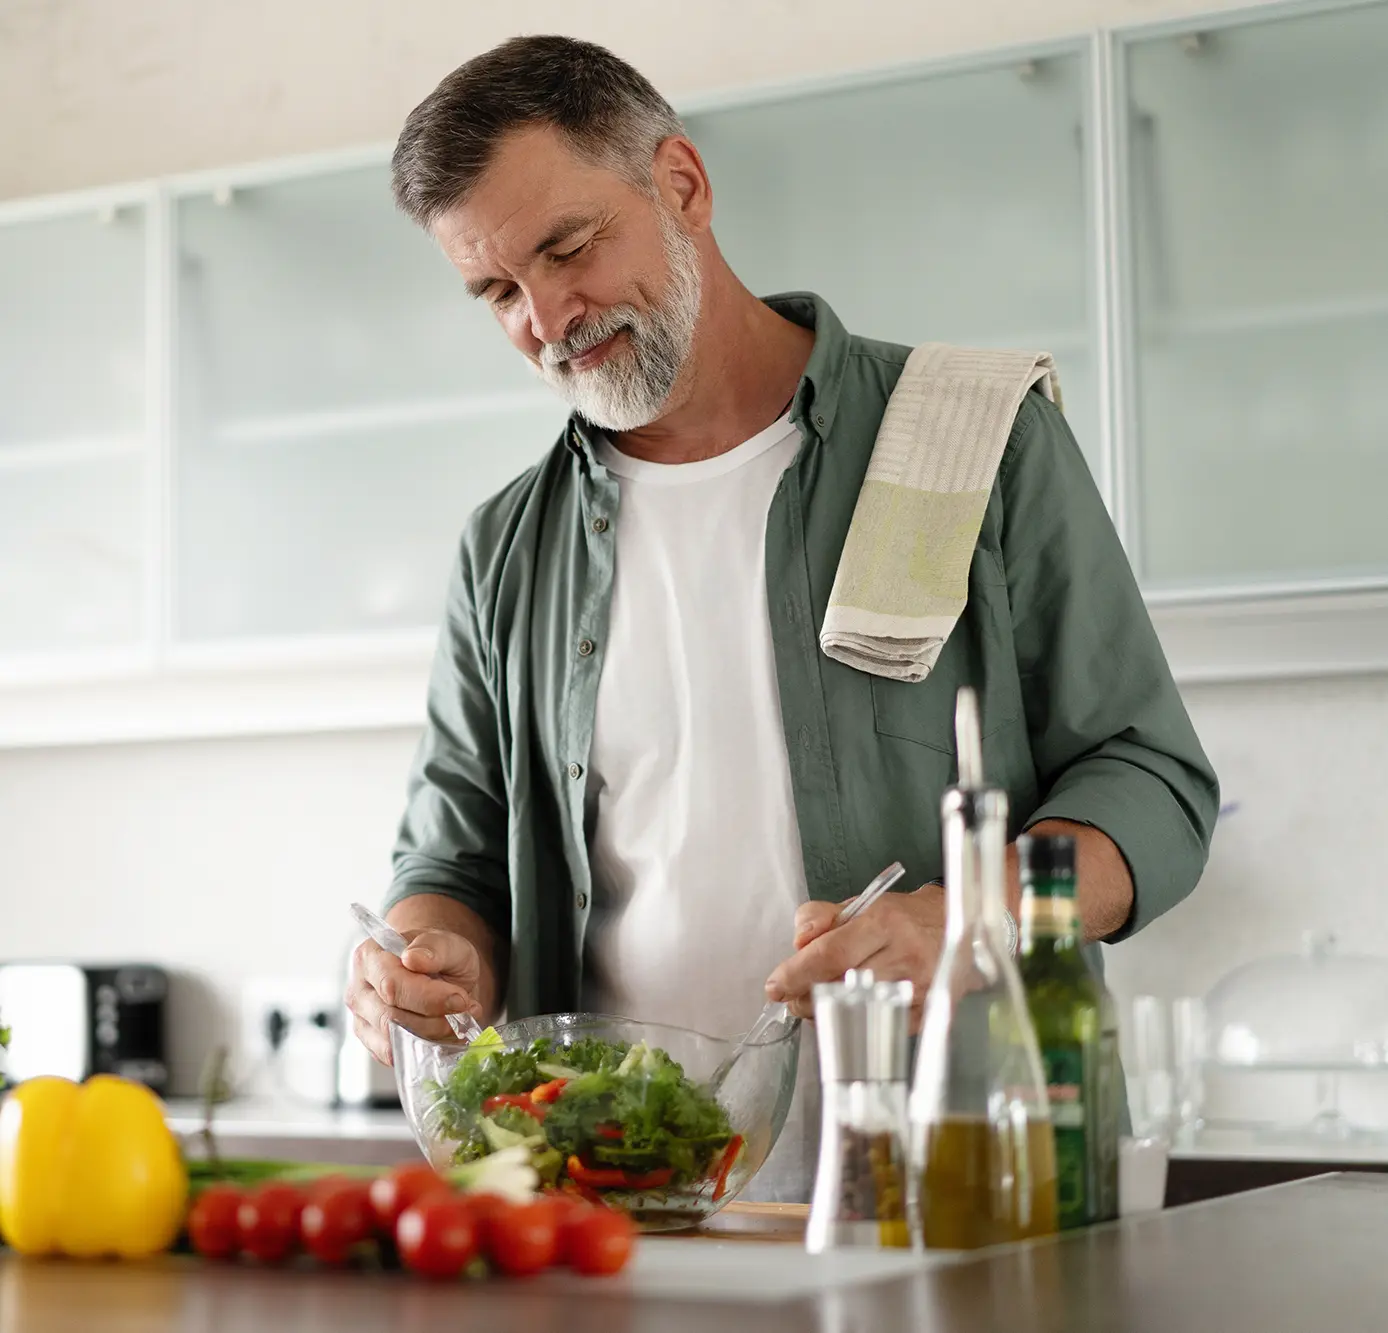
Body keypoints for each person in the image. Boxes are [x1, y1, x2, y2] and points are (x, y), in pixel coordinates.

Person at [344, 34, 1219, 1201]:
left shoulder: (971, 438)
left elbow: (1150, 783)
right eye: (497, 290)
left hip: (963, 1178)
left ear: (681, 185)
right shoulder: (506, 545)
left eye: (568, 246)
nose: (547, 315)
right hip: (619, 1209)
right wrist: (427, 952)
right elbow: (451, 854)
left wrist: (965, 916)